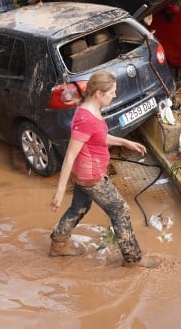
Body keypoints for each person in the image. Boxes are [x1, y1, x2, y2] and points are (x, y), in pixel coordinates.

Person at [49, 71, 161, 268]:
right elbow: (69, 155)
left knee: (79, 207)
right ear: (98, 93)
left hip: (84, 173)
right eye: (112, 92)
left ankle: (58, 245)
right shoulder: (86, 119)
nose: (115, 95)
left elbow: (97, 137)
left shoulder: (90, 109)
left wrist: (125, 142)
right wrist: (59, 191)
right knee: (120, 210)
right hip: (91, 176)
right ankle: (133, 259)